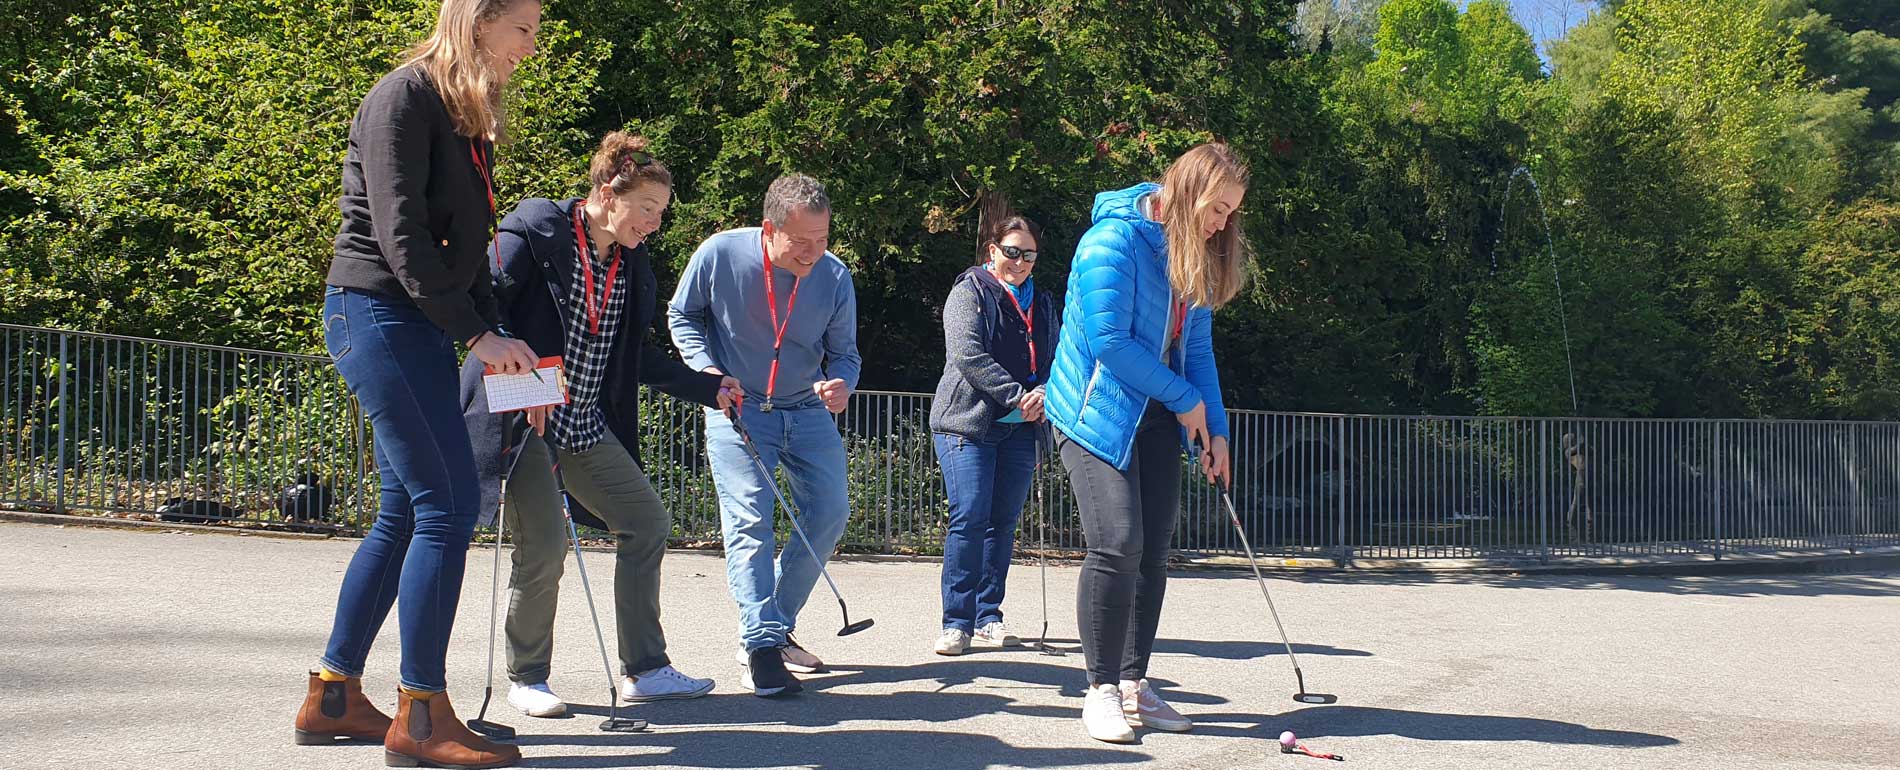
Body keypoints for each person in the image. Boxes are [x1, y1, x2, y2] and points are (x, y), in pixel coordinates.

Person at [295, 1, 542, 767]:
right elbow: (400, 234)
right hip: (376, 313)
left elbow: (467, 254)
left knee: (405, 506)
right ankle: (424, 715)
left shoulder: (464, 118)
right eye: (524, 29)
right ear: (478, 19)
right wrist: (477, 334)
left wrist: (500, 331)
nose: (530, 49)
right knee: (449, 503)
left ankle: (334, 697)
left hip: (420, 323)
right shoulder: (401, 97)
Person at [458, 132, 742, 718]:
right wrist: (522, 376)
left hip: (582, 420)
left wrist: (708, 387)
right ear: (609, 193)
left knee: (646, 522)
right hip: (523, 416)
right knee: (545, 543)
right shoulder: (537, 231)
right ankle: (528, 676)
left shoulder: (632, 263)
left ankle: (646, 670)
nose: (655, 224)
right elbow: (482, 304)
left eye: (660, 213)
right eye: (647, 209)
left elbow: (633, 358)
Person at [1044, 143, 1247, 743]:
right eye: (1217, 209)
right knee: (1118, 543)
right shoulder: (1112, 241)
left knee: (1153, 551)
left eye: (1232, 214)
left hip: (1158, 412)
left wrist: (1217, 430)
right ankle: (1100, 690)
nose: (1222, 224)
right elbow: (1108, 342)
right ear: (1186, 192)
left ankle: (1134, 684)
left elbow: (1199, 351)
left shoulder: (1198, 253)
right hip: (1092, 414)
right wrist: (1185, 400)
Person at [667, 174, 860, 697]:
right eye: (802, 242)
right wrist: (706, 372)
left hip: (805, 407)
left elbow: (845, 354)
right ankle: (762, 645)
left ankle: (774, 623)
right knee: (750, 518)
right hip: (739, 407)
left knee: (830, 511)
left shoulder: (835, 276)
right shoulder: (718, 253)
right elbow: (682, 316)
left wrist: (843, 384)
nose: (813, 253)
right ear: (770, 229)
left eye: (822, 241)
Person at [926, 196, 1058, 656]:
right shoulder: (970, 291)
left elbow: (1055, 357)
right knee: (971, 516)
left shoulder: (1042, 300)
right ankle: (955, 621)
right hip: (966, 425)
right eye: (1012, 251)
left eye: (1028, 255)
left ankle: (988, 616)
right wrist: (1016, 395)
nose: (1019, 262)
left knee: (1002, 523)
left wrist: (1045, 393)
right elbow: (967, 355)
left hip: (1021, 427)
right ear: (992, 249)